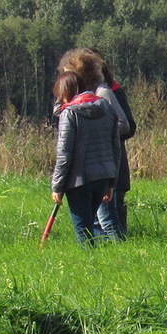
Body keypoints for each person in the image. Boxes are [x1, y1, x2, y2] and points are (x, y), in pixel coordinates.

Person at [58, 47, 135, 238]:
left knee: (109, 220)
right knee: (94, 222)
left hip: (105, 166)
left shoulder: (103, 93)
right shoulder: (80, 98)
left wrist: (94, 132)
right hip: (88, 169)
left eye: (70, 75)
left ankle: (119, 254)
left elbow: (126, 125)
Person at [50, 69, 124, 245]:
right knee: (90, 227)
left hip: (79, 181)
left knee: (84, 233)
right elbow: (115, 148)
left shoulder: (70, 113)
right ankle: (100, 263)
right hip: (103, 178)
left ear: (66, 91)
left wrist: (57, 187)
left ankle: (91, 266)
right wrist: (111, 183)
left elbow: (64, 154)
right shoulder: (106, 107)